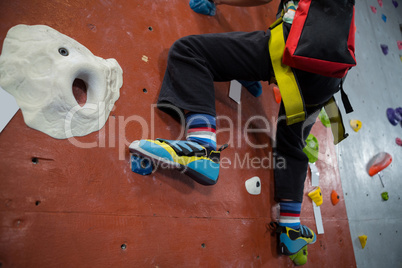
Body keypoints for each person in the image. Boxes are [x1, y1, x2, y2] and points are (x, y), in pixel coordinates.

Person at [129, 0, 342, 256]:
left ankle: (201, 146)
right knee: (291, 143)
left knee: (189, 52)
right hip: (329, 77)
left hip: (293, 50)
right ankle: (291, 227)